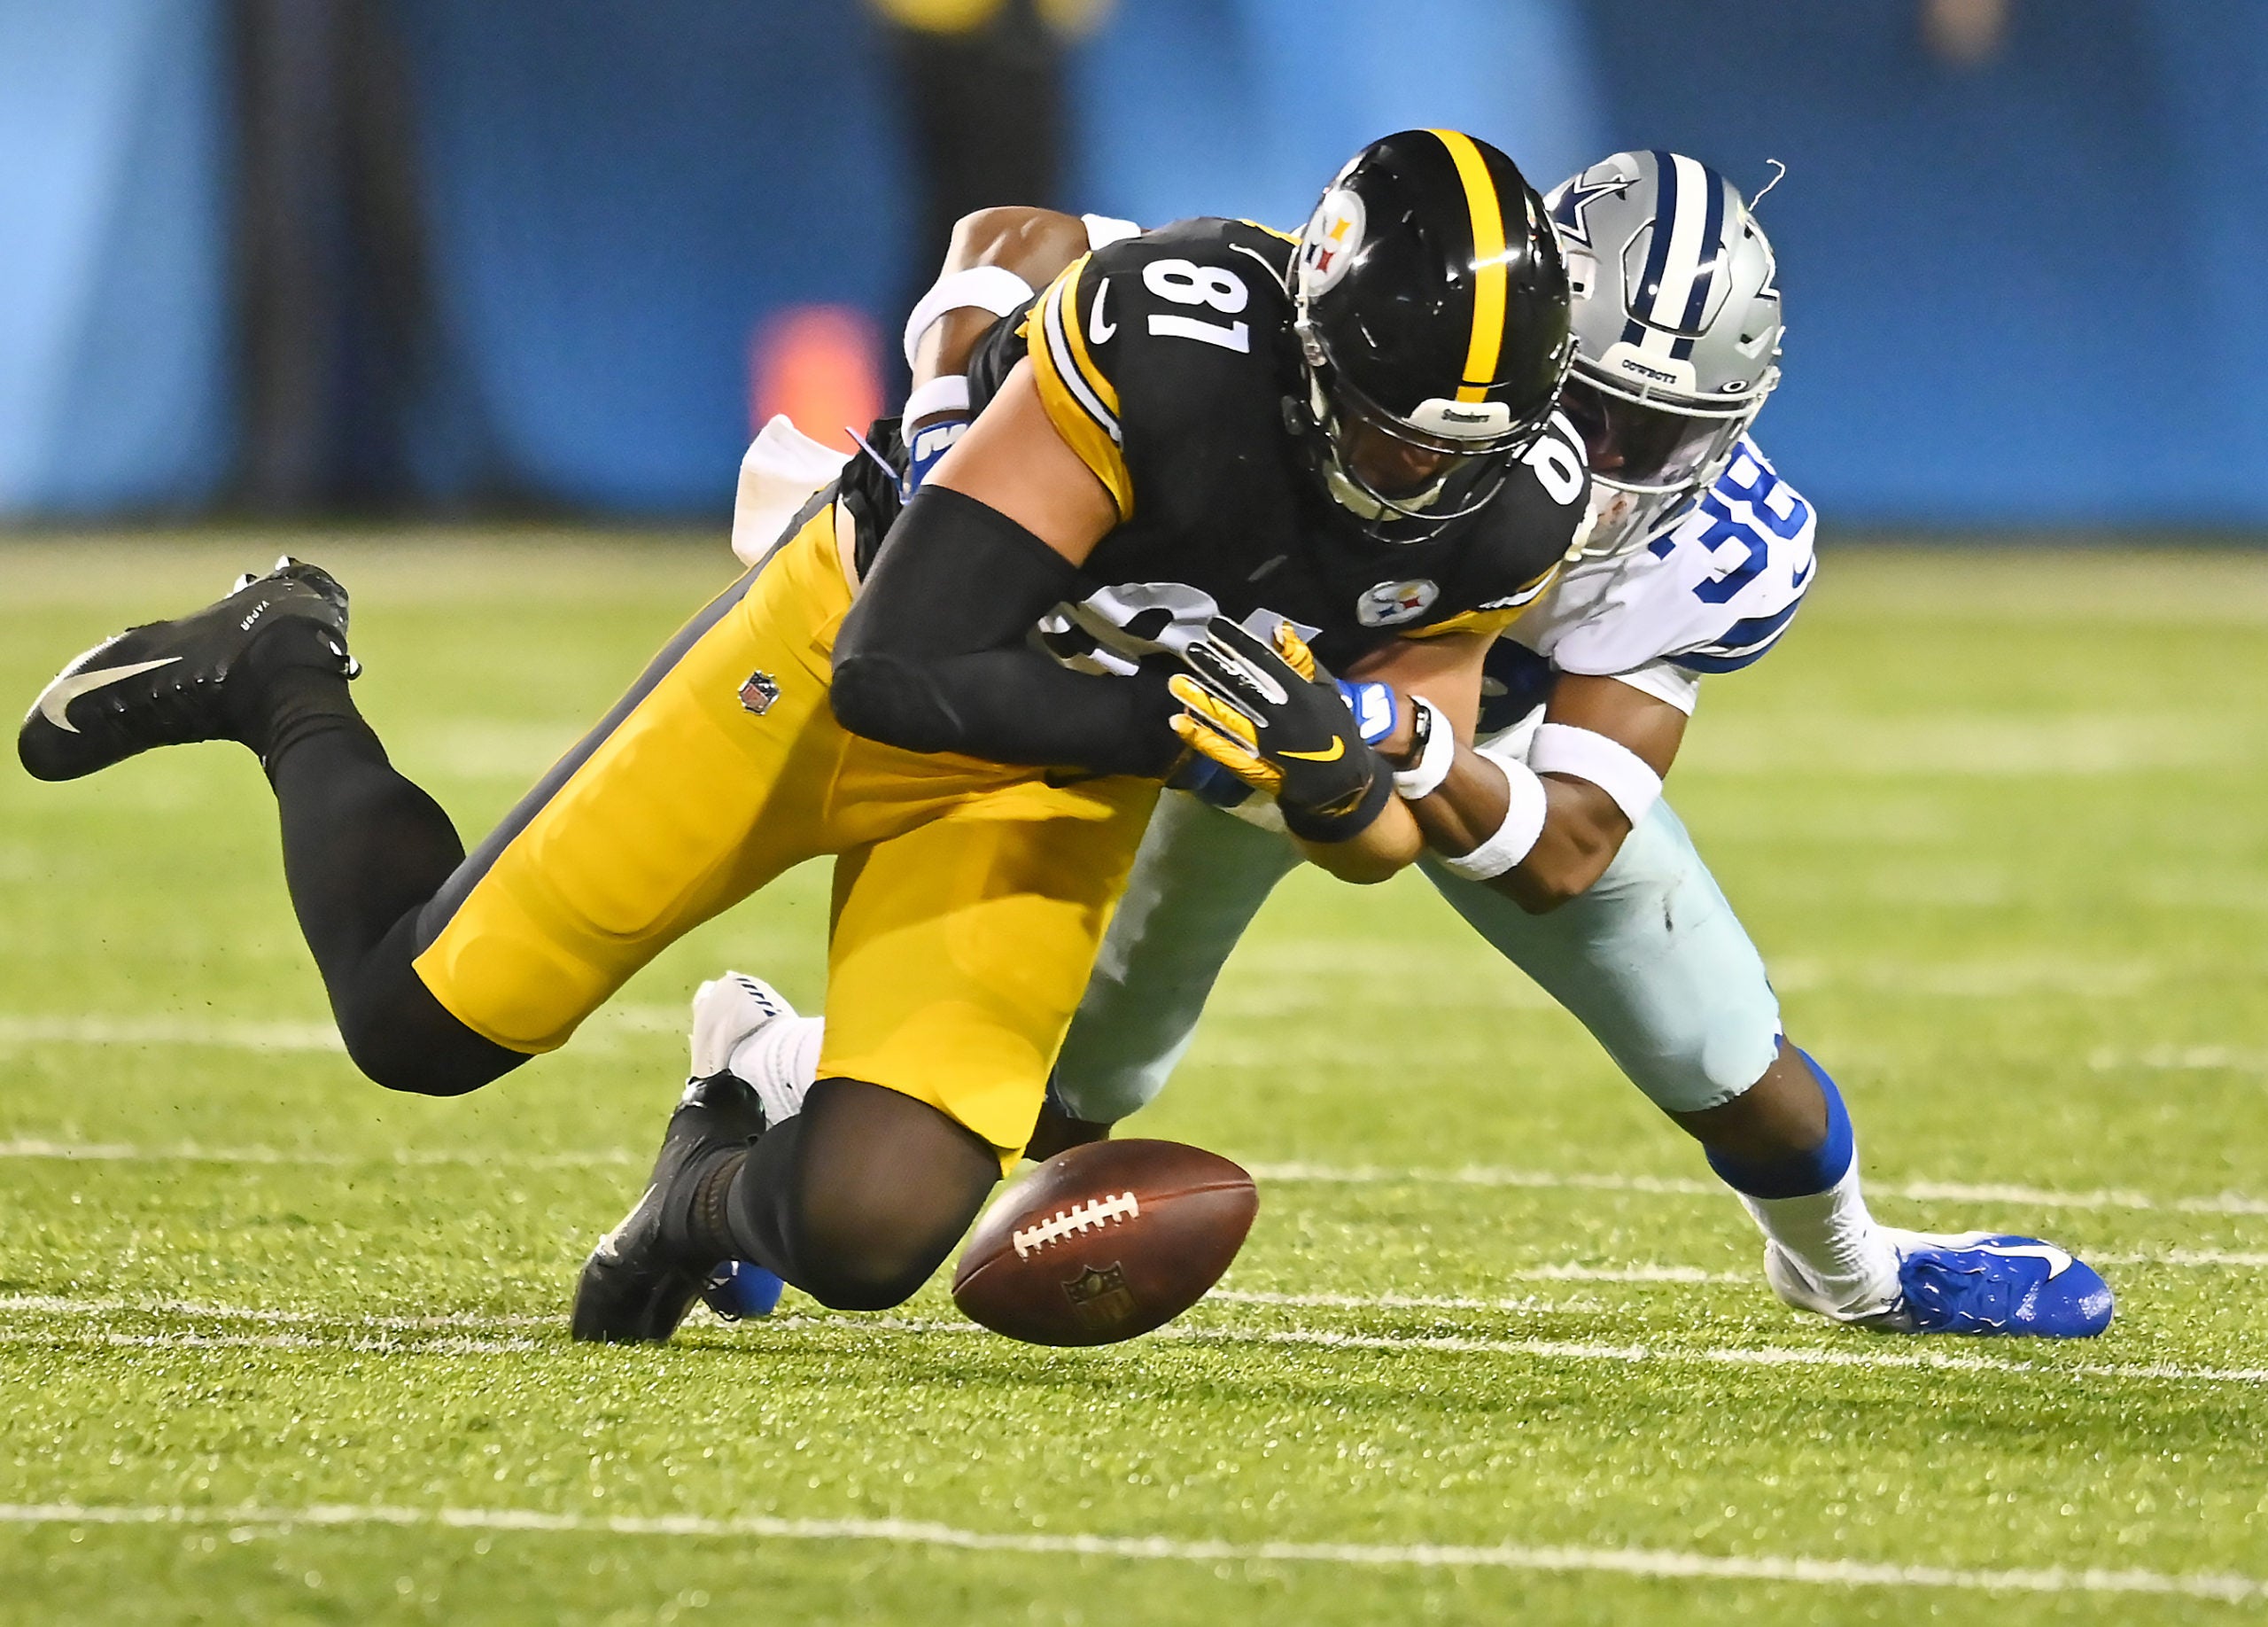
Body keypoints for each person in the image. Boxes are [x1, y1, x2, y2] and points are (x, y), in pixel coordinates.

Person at [18, 129, 1594, 1343]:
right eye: (1390, 424)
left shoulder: (1520, 503)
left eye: (1463, 445)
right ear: (1315, 344)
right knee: (417, 1029)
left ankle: (698, 1187)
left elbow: (1399, 807)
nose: (1418, 476)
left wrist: (1331, 782)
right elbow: (900, 672)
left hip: (1052, 779)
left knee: (869, 1234)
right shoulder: (1173, 342)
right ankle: (283, 668)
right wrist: (1175, 725)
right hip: (843, 654)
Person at [693, 152, 2112, 1338]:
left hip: (1464, 744)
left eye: (1655, 435)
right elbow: (1022, 235)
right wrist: (951, 408)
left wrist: (1394, 738)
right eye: (1592, 409)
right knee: (1075, 1089)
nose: (1609, 466)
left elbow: (1566, 847)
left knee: (1728, 1051)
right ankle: (774, 1078)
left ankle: (1854, 1271)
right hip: (1238, 716)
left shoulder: (1707, 551)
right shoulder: (1401, 323)